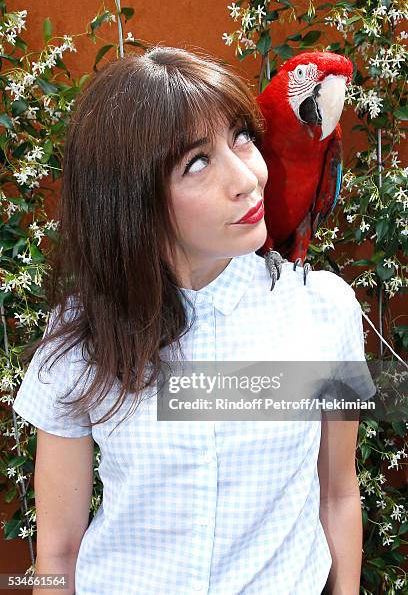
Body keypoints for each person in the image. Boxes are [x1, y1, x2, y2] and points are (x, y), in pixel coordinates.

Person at [12, 46, 376, 595]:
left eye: (242, 138)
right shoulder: (80, 339)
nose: (250, 178)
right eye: (197, 162)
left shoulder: (324, 312)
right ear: (132, 201)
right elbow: (58, 551)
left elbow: (338, 494)